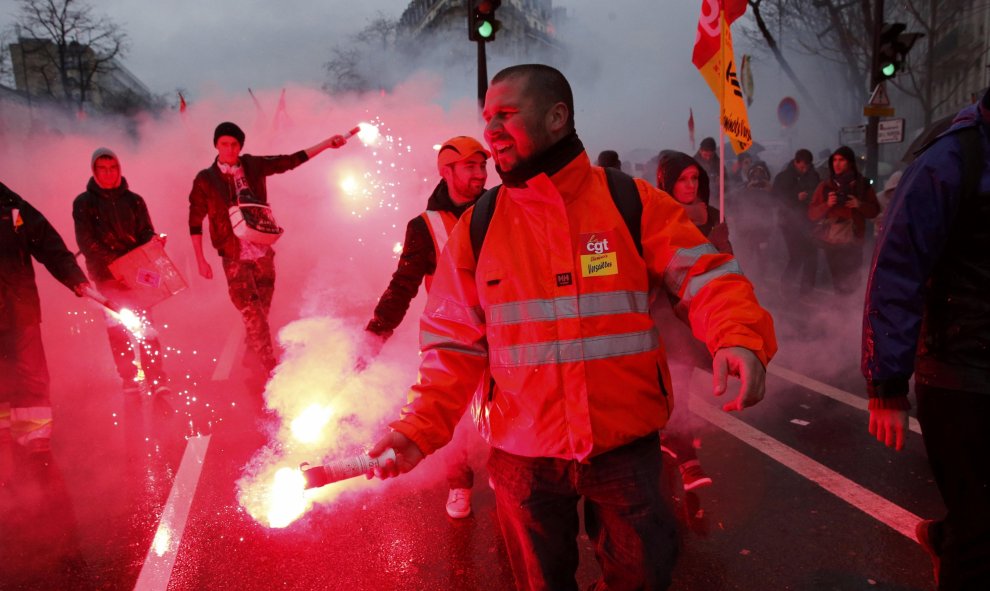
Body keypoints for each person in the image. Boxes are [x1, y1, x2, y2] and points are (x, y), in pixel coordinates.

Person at [369, 64, 777, 590]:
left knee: (641, 579)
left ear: (557, 116)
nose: (491, 129)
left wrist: (738, 335)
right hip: (523, 456)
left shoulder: (632, 202)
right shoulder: (479, 225)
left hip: (624, 447)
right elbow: (451, 344)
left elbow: (706, 272)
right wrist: (416, 430)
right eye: (487, 116)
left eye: (507, 115)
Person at [862, 88, 990, 590]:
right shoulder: (952, 157)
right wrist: (887, 384)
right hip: (961, 374)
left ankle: (949, 536)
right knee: (981, 538)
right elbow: (897, 266)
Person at [364, 135, 491, 519]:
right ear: (446, 171)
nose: (481, 174)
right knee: (451, 415)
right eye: (471, 166)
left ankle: (508, 472)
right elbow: (403, 284)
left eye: (483, 166)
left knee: (508, 407)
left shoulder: (498, 208)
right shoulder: (423, 226)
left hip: (505, 328)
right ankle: (458, 483)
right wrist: (377, 331)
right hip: (454, 334)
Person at [188, 122, 348, 375]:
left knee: (262, 310)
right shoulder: (206, 180)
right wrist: (200, 259)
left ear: (240, 146)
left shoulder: (252, 166)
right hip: (233, 254)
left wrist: (327, 144)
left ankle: (252, 357)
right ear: (216, 145)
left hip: (262, 249)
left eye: (234, 145)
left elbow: (290, 161)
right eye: (224, 144)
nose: (229, 150)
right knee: (253, 313)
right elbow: (195, 220)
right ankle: (268, 367)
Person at [654, 151, 733, 492]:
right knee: (677, 383)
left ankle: (669, 436)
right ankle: (685, 456)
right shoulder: (658, 214)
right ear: (667, 182)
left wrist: (721, 245)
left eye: (695, 178)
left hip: (698, 313)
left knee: (676, 384)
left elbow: (726, 266)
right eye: (682, 179)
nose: (690, 185)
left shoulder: (713, 214)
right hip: (665, 313)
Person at [1, 181, 90, 481]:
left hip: (20, 309)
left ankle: (37, 438)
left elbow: (50, 246)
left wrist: (76, 279)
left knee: (31, 373)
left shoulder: (12, 207)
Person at [73, 148, 170, 397]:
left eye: (113, 168)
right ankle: (128, 377)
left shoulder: (134, 201)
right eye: (102, 169)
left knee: (146, 324)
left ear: (119, 168)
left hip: (137, 274)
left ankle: (157, 377)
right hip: (106, 277)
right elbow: (87, 243)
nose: (108, 174)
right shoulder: (84, 203)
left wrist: (153, 244)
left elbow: (146, 231)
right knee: (118, 327)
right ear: (94, 171)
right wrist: (117, 267)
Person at [807, 146, 880, 295]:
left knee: (854, 280)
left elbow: (874, 211)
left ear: (850, 163)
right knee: (838, 281)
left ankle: (850, 310)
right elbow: (812, 214)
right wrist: (827, 205)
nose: (837, 164)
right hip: (833, 241)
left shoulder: (862, 185)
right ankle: (840, 311)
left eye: (841, 160)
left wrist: (859, 205)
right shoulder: (825, 186)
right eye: (834, 160)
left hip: (855, 240)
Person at [772, 149, 821, 296]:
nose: (804, 170)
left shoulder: (814, 176)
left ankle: (807, 291)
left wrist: (809, 197)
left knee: (812, 256)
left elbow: (818, 194)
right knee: (796, 256)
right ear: (795, 162)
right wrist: (795, 197)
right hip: (789, 223)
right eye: (801, 167)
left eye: (807, 167)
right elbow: (777, 197)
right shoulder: (783, 177)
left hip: (808, 221)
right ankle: (786, 286)